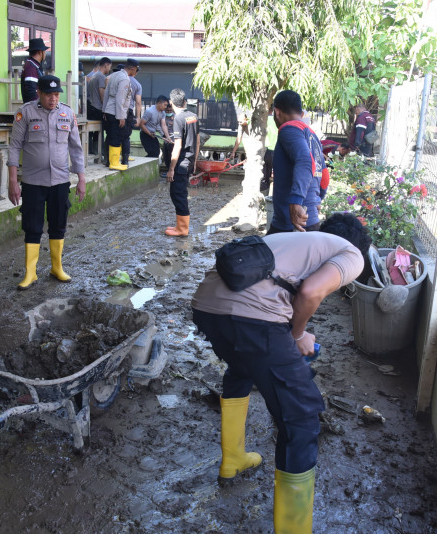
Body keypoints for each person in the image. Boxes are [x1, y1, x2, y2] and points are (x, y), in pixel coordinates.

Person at [191, 212, 370, 534]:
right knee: (301, 420)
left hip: (206, 308)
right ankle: (294, 528)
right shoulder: (351, 254)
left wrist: (290, 334)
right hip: (252, 318)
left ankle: (233, 459)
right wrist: (298, 336)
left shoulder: (295, 240)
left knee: (242, 368)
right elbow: (311, 293)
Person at [7, 75, 86, 288]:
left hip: (60, 180)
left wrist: (81, 178)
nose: (53, 98)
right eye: (49, 94)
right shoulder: (25, 113)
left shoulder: (67, 113)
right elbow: (14, 147)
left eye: (56, 94)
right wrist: (13, 181)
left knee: (58, 224)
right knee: (32, 226)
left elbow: (76, 148)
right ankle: (30, 273)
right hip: (33, 181)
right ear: (39, 93)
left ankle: (56, 267)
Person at [268, 90, 326, 234]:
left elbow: (306, 162)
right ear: (301, 113)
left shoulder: (289, 129)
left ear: (277, 112)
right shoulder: (312, 135)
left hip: (292, 223)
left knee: (265, 254)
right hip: (310, 220)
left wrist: (296, 202)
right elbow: (324, 174)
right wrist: (317, 200)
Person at [164, 88, 200, 237]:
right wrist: (195, 160)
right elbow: (197, 140)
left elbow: (178, 145)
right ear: (184, 101)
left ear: (171, 103)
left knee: (178, 194)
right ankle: (180, 226)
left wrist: (171, 168)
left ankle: (183, 229)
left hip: (181, 162)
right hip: (190, 160)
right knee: (179, 193)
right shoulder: (193, 116)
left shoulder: (178, 119)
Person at [102, 59, 138, 171]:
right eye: (136, 70)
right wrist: (121, 116)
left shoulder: (114, 75)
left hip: (109, 110)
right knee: (117, 137)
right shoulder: (124, 78)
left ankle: (111, 161)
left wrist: (104, 110)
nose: (136, 72)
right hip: (116, 112)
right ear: (132, 68)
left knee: (111, 136)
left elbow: (106, 93)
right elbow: (120, 98)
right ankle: (114, 163)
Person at [86, 57, 111, 159]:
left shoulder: (93, 76)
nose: (109, 69)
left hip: (91, 107)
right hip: (98, 108)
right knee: (101, 133)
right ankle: (100, 154)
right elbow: (102, 94)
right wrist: (105, 109)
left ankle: (97, 153)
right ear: (106, 65)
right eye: (109, 67)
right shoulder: (101, 77)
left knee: (95, 134)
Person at [122, 65, 143, 164]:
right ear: (135, 71)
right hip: (128, 111)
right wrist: (138, 117)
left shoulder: (118, 78)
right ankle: (125, 159)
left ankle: (111, 159)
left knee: (115, 135)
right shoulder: (137, 84)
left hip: (115, 110)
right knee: (126, 136)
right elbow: (138, 102)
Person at [20, 38, 49, 103]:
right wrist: (37, 107)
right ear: (40, 52)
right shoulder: (31, 67)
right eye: (44, 51)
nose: (45, 53)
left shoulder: (34, 65)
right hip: (33, 108)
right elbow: (31, 91)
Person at [160, 100, 176, 178]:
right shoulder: (162, 116)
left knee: (171, 156)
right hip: (165, 139)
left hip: (173, 141)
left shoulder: (176, 117)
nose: (169, 111)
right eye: (167, 110)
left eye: (170, 110)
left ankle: (171, 171)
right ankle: (168, 170)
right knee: (165, 156)